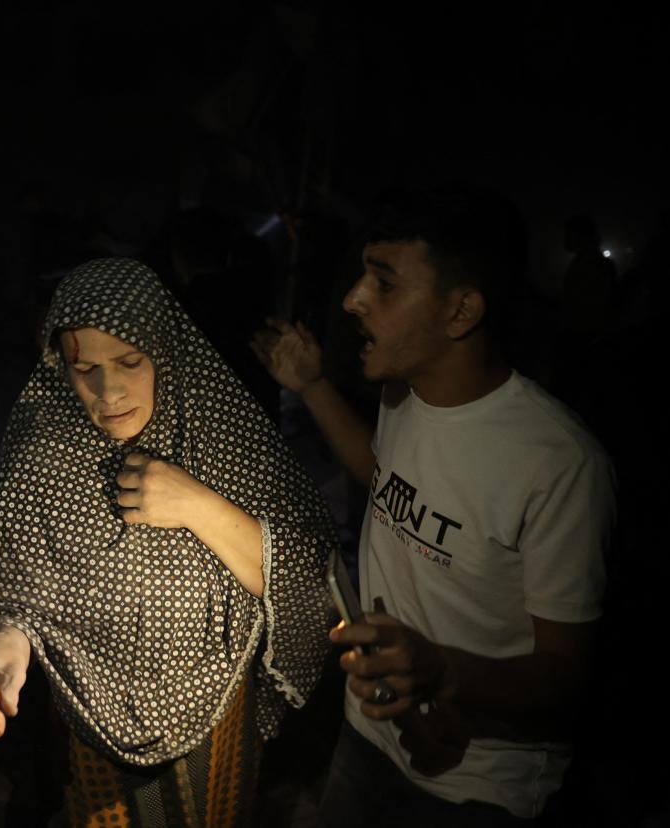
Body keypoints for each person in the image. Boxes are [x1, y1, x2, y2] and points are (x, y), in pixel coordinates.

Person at [0, 258, 338, 826]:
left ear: (165, 353)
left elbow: (306, 579)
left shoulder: (220, 436)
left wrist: (198, 505)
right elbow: (24, 597)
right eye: (83, 367)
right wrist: (7, 646)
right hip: (92, 730)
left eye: (130, 362)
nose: (108, 391)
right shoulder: (45, 450)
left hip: (217, 722)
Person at [252, 186, 615, 824]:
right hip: (369, 735)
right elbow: (384, 473)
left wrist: (442, 672)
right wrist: (311, 386)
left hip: (477, 784)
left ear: (461, 310)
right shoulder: (403, 392)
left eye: (384, 283)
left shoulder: (558, 462)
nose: (352, 299)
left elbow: (567, 679)